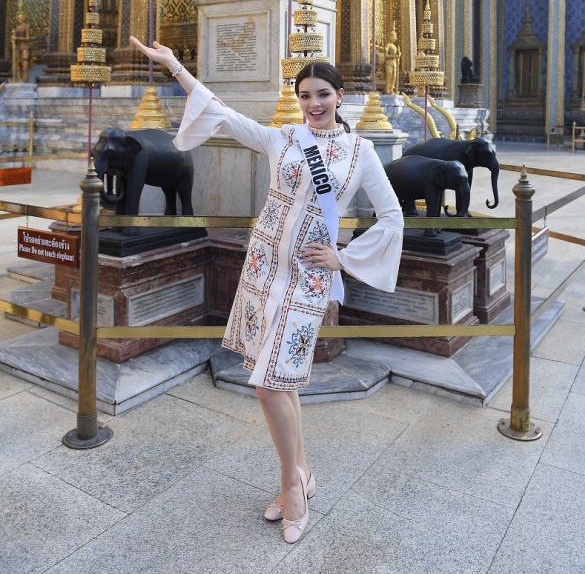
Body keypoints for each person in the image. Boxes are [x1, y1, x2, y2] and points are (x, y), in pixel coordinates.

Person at [130, 36, 404, 544]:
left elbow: (393, 215)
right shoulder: (282, 138)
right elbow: (222, 113)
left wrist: (342, 256)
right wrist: (174, 67)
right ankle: (301, 473)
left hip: (307, 276)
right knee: (282, 382)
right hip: (261, 270)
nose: (313, 105)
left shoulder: (361, 152)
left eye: (322, 94)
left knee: (269, 382)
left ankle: (291, 487)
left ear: (340, 96)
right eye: (304, 96)